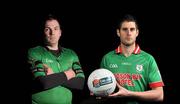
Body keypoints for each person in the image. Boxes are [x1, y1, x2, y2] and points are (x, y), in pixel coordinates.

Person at [100, 14, 164, 103]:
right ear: (118, 32)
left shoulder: (148, 59)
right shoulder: (107, 59)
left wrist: (129, 93)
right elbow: (100, 89)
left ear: (137, 32)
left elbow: (159, 95)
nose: (129, 33)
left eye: (132, 29)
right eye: (125, 29)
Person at [27, 14, 85, 104]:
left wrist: (53, 76)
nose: (52, 32)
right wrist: (69, 73)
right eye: (47, 29)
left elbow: (80, 83)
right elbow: (43, 82)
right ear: (43, 32)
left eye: (55, 28)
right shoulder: (34, 52)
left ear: (60, 32)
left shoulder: (71, 54)